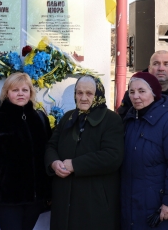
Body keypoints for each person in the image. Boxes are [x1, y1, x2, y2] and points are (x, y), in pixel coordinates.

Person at [0, 73, 52, 230]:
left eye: (25, 89)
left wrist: (49, 192)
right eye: (15, 90)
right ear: (7, 93)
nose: (21, 93)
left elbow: (47, 154)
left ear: (30, 92)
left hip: (35, 198)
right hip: (7, 198)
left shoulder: (39, 118)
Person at [44, 75, 124, 230]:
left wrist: (75, 164)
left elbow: (112, 156)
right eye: (79, 93)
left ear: (98, 95)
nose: (83, 98)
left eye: (89, 93)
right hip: (64, 198)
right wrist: (54, 163)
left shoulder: (111, 120)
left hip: (94, 201)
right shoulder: (68, 117)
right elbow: (51, 146)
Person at [120, 72, 168, 229]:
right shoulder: (129, 122)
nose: (136, 96)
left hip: (161, 210)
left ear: (154, 93)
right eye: (131, 92)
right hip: (134, 207)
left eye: (142, 91)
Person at [117, 50, 168, 119]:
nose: (161, 68)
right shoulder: (134, 95)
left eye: (166, 64)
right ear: (149, 69)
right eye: (156, 64)